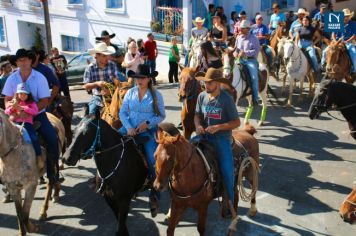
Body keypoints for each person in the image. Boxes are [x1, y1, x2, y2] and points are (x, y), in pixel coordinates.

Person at [2, 48, 60, 184]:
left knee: (52, 138)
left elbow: (44, 101)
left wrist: (27, 111)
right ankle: (5, 174)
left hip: (37, 114)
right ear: (16, 62)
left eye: (25, 59)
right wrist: (12, 109)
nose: (23, 62)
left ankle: (53, 172)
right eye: (19, 60)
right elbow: (7, 99)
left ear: (30, 61)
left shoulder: (40, 78)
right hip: (15, 116)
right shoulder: (11, 79)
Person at [119, 64, 165, 217]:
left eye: (142, 78)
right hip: (129, 128)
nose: (139, 80)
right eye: (137, 78)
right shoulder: (130, 93)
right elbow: (123, 112)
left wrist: (148, 124)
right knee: (110, 145)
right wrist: (128, 126)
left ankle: (155, 194)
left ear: (149, 79)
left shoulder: (156, 95)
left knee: (153, 161)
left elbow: (161, 115)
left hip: (148, 131)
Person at [193, 68, 240, 212]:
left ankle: (231, 202)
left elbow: (237, 122)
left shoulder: (226, 99)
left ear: (218, 84)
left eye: (209, 83)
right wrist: (198, 125)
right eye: (205, 83)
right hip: (204, 135)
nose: (206, 86)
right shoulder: (202, 96)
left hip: (221, 138)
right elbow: (197, 115)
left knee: (227, 170)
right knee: (185, 152)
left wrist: (219, 127)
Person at [5, 83, 42, 161]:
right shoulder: (14, 102)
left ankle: (39, 156)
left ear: (28, 94)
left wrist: (24, 108)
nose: (22, 95)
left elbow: (35, 111)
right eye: (21, 94)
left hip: (26, 124)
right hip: (14, 124)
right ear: (17, 94)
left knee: (34, 138)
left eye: (25, 94)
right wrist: (12, 108)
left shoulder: (31, 103)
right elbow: (6, 111)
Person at [83, 42, 118, 115]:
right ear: (97, 56)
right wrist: (97, 84)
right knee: (91, 114)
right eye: (104, 56)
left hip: (113, 95)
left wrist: (111, 90)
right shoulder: (90, 68)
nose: (107, 58)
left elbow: (117, 81)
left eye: (107, 55)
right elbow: (85, 86)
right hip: (97, 97)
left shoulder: (112, 65)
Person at [234, 20, 260, 105]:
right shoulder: (238, 38)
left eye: (242, 28)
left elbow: (256, 51)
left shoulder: (254, 38)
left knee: (254, 78)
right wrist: (235, 53)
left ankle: (255, 97)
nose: (240, 29)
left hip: (250, 60)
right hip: (239, 60)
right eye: (240, 28)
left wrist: (245, 53)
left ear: (248, 29)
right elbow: (235, 49)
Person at [323, 8, 356, 76]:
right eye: (344, 16)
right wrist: (335, 42)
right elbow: (333, 34)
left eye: (347, 16)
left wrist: (347, 41)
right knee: (325, 51)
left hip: (348, 42)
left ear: (349, 16)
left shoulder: (353, 24)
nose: (345, 18)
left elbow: (354, 35)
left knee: (354, 53)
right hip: (336, 42)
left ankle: (354, 69)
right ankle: (324, 65)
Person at [31, 48, 61, 112]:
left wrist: (49, 100)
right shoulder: (26, 68)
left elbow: (56, 84)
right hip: (28, 103)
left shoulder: (45, 69)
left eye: (32, 54)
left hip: (43, 103)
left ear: (38, 56)